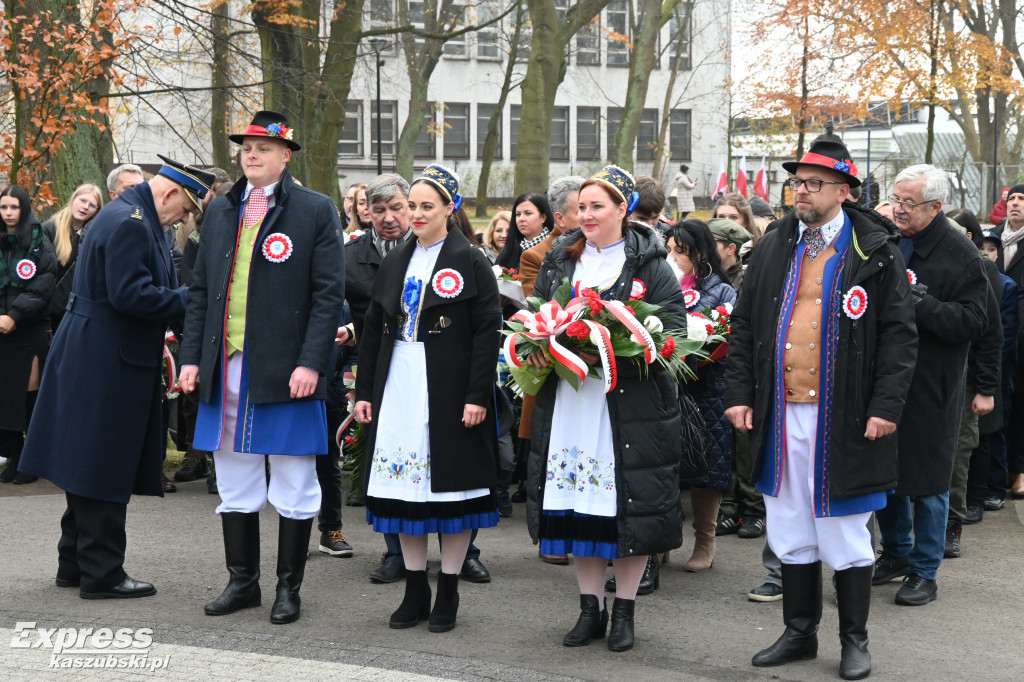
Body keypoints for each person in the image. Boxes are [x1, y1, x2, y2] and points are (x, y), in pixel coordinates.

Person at [725, 140, 918, 680]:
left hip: (847, 415)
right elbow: (744, 327)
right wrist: (739, 394)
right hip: (781, 412)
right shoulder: (774, 246)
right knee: (789, 525)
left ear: (843, 191)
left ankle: (854, 639)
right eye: (797, 183)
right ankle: (798, 632)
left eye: (813, 183)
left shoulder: (874, 250)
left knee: (846, 529)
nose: (801, 192)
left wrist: (886, 406)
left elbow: (900, 338)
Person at [179, 111, 345, 625]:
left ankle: (287, 589)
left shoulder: (316, 211)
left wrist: (312, 362)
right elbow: (201, 293)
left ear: (285, 155)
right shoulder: (222, 212)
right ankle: (243, 582)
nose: (251, 155)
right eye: (246, 148)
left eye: (263, 149)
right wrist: (190, 358)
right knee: (233, 475)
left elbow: (327, 296)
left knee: (294, 477)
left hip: (286, 368)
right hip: (226, 364)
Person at [20, 157, 212, 598]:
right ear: (169, 194)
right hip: (107, 356)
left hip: (96, 348)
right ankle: (102, 573)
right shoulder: (131, 221)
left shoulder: (128, 213)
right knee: (102, 463)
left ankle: (75, 562)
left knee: (84, 458)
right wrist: (191, 299)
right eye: (185, 208)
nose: (185, 218)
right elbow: (131, 295)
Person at [525, 165, 685, 653]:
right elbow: (537, 312)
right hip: (572, 401)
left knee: (626, 507)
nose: (587, 215)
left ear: (623, 209)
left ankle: (625, 612)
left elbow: (673, 328)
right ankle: (589, 608)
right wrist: (537, 342)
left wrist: (621, 347)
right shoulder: (560, 257)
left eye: (598, 206)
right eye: (582, 206)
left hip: (627, 407)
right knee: (580, 508)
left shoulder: (651, 263)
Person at [354, 163, 500, 633]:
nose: (415, 214)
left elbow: (487, 333)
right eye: (410, 205)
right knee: (405, 491)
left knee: (451, 489)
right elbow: (374, 329)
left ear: (449, 209)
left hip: (449, 386)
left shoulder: (471, 259)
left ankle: (449, 591)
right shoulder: (398, 258)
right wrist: (364, 390)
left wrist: (478, 393)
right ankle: (415, 587)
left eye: (425, 206)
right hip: (399, 381)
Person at [872, 165, 989, 607]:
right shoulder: (891, 241)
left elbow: (976, 321)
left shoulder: (961, 253)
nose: (897, 209)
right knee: (887, 472)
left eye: (908, 203)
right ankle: (896, 553)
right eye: (895, 199)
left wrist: (922, 305)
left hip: (933, 384)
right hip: (887, 379)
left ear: (936, 207)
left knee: (929, 482)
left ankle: (925, 569)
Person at [666, 219, 736, 574]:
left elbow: (729, 334)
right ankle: (660, 540)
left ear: (700, 252)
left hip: (707, 387)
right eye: (671, 250)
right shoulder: (663, 284)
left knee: (708, 466)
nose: (674, 257)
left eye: (681, 251)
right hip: (669, 388)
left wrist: (699, 352)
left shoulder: (721, 292)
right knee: (665, 466)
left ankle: (705, 540)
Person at [0, 185, 56, 484]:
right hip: (0, 329)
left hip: (27, 329)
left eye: (14, 207)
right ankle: (13, 453)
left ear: (24, 209)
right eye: (3, 207)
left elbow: (43, 284)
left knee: (27, 397)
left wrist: (14, 315)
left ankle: (31, 460)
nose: (8, 213)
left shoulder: (38, 240)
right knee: (4, 398)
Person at [41, 184, 103, 333]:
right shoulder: (49, 229)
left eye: (92, 205)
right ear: (73, 199)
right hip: (50, 315)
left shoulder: (95, 236)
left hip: (79, 314)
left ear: (96, 212)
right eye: (82, 200)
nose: (86, 207)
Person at [996, 184, 1024, 498]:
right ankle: (1001, 469)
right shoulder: (994, 239)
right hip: (998, 331)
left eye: (1021, 199)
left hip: (1022, 335)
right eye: (1012, 198)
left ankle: (1020, 469)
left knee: (1020, 405)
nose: (1015, 203)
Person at [495, 192, 554, 273]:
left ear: (543, 217)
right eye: (518, 214)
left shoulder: (556, 246)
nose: (521, 219)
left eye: (528, 213)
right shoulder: (509, 250)